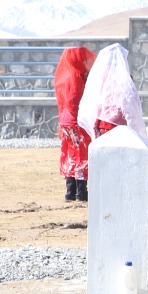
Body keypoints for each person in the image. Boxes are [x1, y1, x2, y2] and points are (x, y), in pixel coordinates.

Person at [77, 43, 148, 146]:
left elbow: (92, 99)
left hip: (101, 123)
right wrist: (134, 126)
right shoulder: (123, 77)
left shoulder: (100, 76)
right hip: (119, 124)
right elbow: (129, 103)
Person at [53, 46, 97, 201]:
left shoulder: (63, 75)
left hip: (66, 121)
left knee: (70, 155)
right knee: (81, 155)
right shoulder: (75, 76)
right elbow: (75, 101)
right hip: (76, 121)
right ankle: (81, 192)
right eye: (83, 60)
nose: (86, 63)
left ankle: (70, 191)